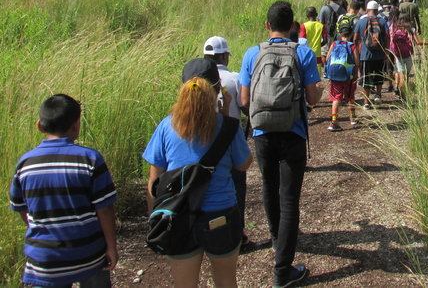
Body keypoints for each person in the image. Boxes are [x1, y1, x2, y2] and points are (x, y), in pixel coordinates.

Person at [144, 59, 252, 288]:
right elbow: (243, 165)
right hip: (221, 215)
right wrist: (225, 114)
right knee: (226, 281)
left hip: (178, 216)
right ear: (217, 89)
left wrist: (154, 218)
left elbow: (154, 180)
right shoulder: (228, 126)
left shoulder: (166, 126)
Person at [239, 1, 322, 288]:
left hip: (262, 135)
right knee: (289, 199)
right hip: (293, 133)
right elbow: (312, 100)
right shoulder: (304, 53)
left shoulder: (252, 54)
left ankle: (276, 240)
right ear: (293, 27)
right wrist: (318, 92)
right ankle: (282, 269)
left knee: (268, 189)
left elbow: (245, 101)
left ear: (267, 25)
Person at [9, 94, 118, 288]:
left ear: (40, 126)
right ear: (77, 125)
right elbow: (105, 209)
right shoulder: (90, 159)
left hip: (45, 259)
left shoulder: (25, 164)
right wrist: (111, 247)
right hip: (89, 254)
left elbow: (21, 208)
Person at [202, 36, 251, 247]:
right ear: (224, 56)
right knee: (236, 187)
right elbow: (244, 106)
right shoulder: (234, 78)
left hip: (201, 142)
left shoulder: (196, 81)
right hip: (230, 138)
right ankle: (236, 233)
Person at [353, 0, 389, 107]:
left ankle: (366, 102)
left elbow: (355, 39)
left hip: (365, 55)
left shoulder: (360, 22)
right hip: (380, 55)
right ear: (377, 10)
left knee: (366, 79)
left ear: (367, 10)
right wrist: (386, 52)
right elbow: (387, 37)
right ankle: (378, 95)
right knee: (379, 76)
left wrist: (357, 51)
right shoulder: (382, 21)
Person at [325, 25, 360, 131]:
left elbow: (327, 58)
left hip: (335, 75)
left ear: (340, 34)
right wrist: (355, 74)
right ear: (351, 34)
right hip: (348, 75)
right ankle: (353, 118)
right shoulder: (352, 46)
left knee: (336, 97)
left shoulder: (334, 43)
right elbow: (357, 62)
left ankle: (334, 121)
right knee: (350, 96)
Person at [392, 15, 428, 97]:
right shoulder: (411, 30)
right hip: (408, 55)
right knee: (406, 75)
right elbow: (418, 42)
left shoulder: (396, 29)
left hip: (398, 55)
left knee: (401, 73)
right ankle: (403, 94)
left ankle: (400, 90)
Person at [319, 0, 345, 70]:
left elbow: (320, 23)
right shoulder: (341, 9)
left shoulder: (324, 8)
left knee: (324, 52)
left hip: (326, 34)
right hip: (338, 35)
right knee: (336, 51)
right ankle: (334, 68)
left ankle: (326, 70)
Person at [300, 6, 325, 77]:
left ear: (306, 15)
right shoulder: (321, 26)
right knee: (316, 77)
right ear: (317, 14)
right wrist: (319, 45)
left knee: (306, 75)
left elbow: (302, 40)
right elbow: (325, 40)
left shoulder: (304, 26)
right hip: (317, 54)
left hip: (306, 53)